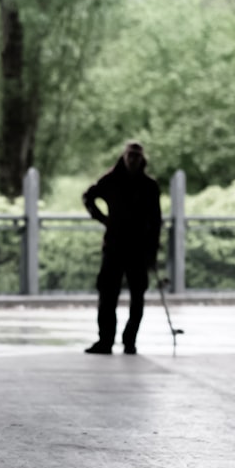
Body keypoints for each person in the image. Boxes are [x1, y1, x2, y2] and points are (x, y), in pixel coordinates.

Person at [83, 141, 161, 355]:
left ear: (141, 159)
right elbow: (88, 196)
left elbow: (156, 221)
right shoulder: (111, 180)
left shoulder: (149, 186)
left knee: (137, 295)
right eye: (130, 156)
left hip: (138, 248)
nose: (133, 160)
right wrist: (103, 219)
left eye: (136, 156)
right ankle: (106, 340)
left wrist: (152, 251)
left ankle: (129, 340)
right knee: (108, 294)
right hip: (115, 245)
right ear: (124, 157)